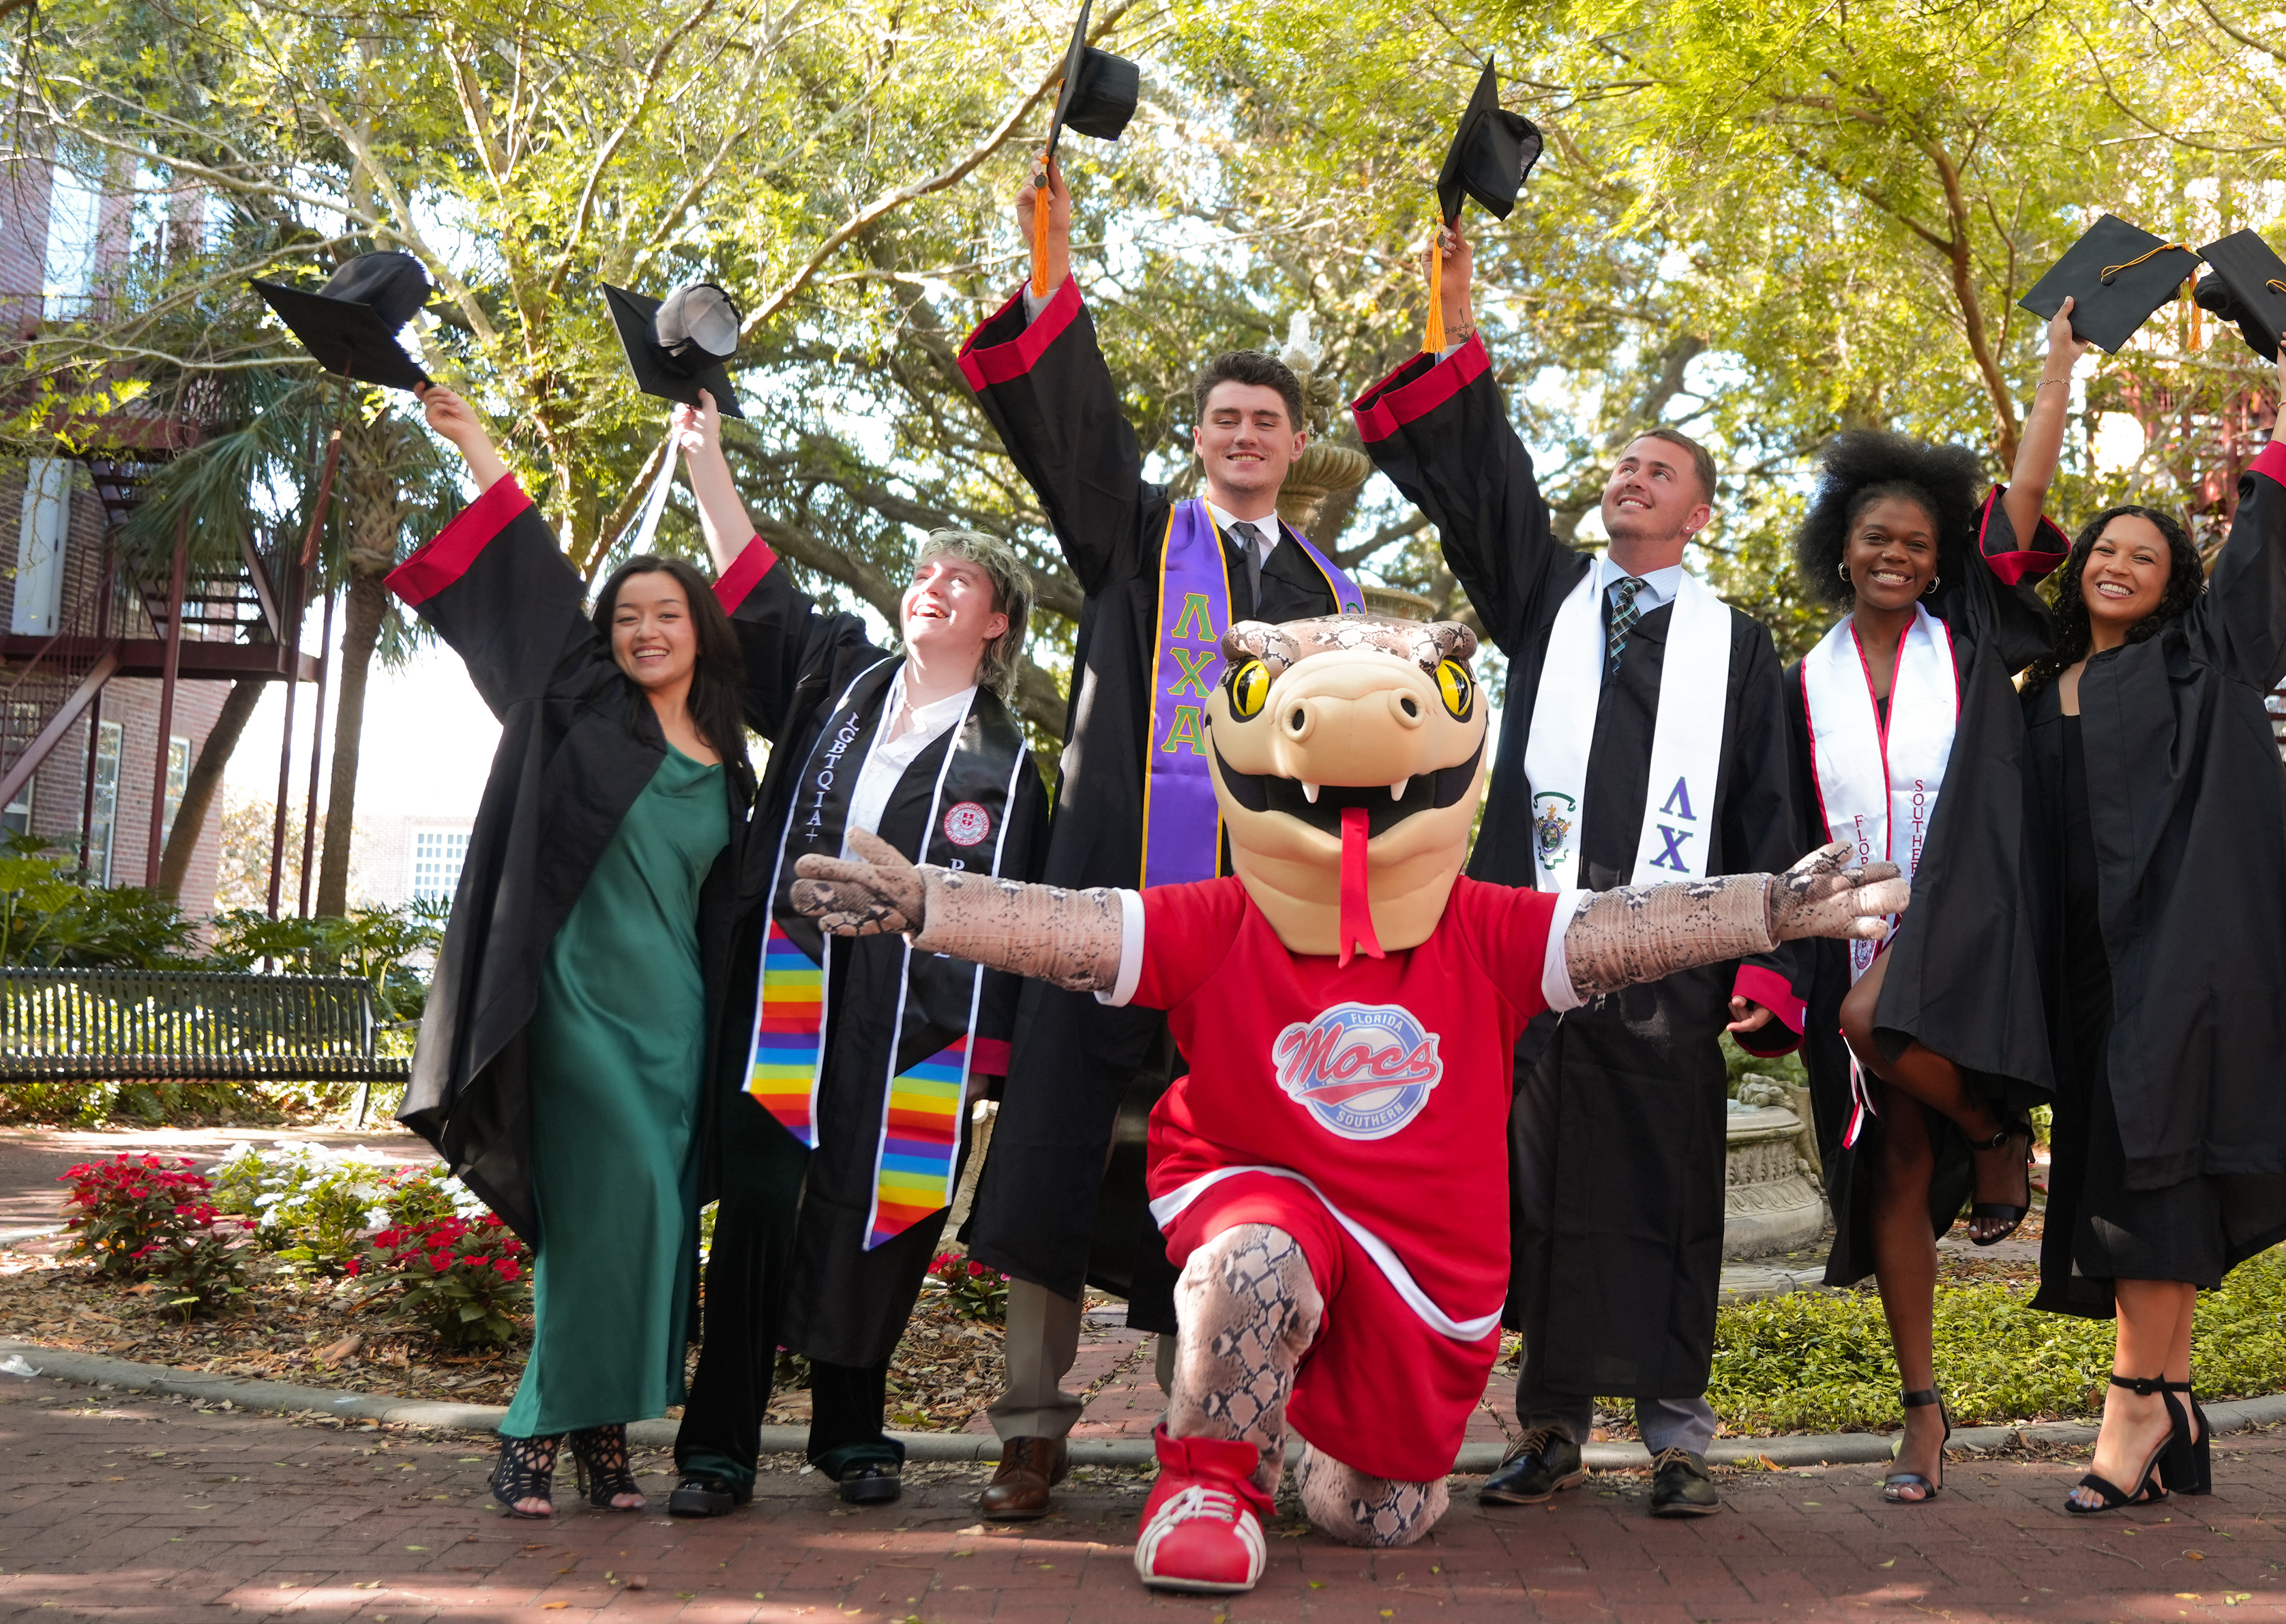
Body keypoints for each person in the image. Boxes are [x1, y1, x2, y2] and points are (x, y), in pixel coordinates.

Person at [782, 607, 1908, 1593]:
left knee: (1380, 1519)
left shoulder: (1486, 926)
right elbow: (1067, 927)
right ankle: (1207, 1485)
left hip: (1424, 1257)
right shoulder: (1216, 919)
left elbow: (1627, 928)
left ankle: (1307, 1435)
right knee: (1253, 1261)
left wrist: (1769, 908)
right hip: (1260, 1193)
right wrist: (928, 902)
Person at [1350, 222, 1803, 1518]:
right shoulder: (1547, 597)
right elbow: (1486, 481)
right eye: (1620, 465)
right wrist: (1456, 311)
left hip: (1667, 963)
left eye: (1659, 471)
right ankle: (1548, 1427)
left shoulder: (1737, 646)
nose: (1630, 478)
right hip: (1529, 947)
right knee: (1533, 1187)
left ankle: (1677, 1439)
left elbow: (1766, 803)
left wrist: (1767, 967)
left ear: (1699, 513)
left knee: (1664, 1189)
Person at [948, 161, 1367, 1519]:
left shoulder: (1334, 595)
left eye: (1266, 420)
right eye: (1223, 417)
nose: (1244, 435)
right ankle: (1031, 1425)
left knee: (1251, 1167)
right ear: (1196, 438)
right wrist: (1051, 262)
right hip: (1116, 906)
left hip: (1259, 936)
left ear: (1295, 446)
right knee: (1060, 1143)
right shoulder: (1137, 537)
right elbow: (1072, 430)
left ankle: (1228, 1427)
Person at [2023, 315, 2286, 1514]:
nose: (2118, 564)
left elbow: (2261, 562)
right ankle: (2178, 1407)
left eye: (2146, 555)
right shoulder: (2036, 686)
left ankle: (2132, 1406)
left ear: (2174, 583)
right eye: (2104, 548)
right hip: (2084, 961)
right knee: (2154, 1169)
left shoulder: (2201, 660)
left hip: (2179, 955)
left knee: (2148, 1170)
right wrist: (2056, 374)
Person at [656, 394, 1051, 1518]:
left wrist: (989, 1061)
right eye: (924, 574)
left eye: (961, 581)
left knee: (888, 1210)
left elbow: (1014, 916)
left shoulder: (1014, 770)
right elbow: (753, 586)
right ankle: (718, 1446)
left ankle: (851, 1432)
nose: (933, 586)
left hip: (923, 1021)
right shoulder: (836, 676)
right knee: (762, 1208)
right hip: (792, 983)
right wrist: (707, 461)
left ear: (998, 623)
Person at [391, 385, 753, 1518]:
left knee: (652, 1225)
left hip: (675, 1020)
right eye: (627, 617)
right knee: (607, 1213)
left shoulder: (731, 757)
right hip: (575, 1009)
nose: (645, 632)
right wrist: (477, 446)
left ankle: (605, 1434)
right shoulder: (587, 707)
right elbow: (536, 576)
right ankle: (535, 1432)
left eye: (667, 614)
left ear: (701, 629)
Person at [1782, 299, 2080, 1504]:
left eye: (1916, 540)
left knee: (1873, 1024)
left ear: (1940, 556)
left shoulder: (1969, 639)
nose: (1896, 554)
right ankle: (1923, 1413)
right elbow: (1780, 825)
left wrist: (2055, 370)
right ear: (1842, 549)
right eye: (1875, 538)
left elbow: (2024, 496)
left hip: (1969, 917)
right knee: (1895, 1168)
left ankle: (1998, 1137)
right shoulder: (1800, 678)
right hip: (1852, 926)